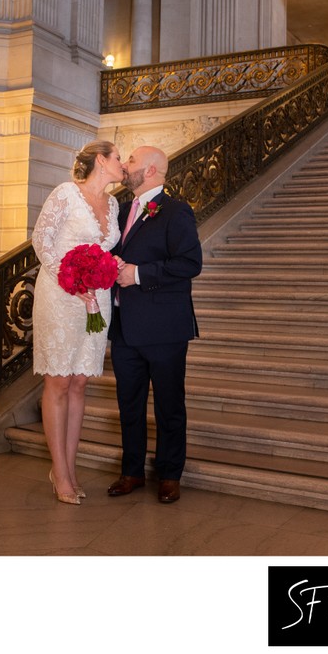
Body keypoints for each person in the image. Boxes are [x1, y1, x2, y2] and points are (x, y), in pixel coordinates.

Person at [107, 145, 202, 503]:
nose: (125, 165)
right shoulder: (119, 212)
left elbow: (190, 263)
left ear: (149, 170)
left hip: (164, 328)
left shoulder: (176, 211)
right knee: (128, 404)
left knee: (168, 404)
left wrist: (140, 274)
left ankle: (169, 473)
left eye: (131, 160)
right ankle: (131, 470)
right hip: (125, 327)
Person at [31, 140, 124, 505]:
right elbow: (42, 241)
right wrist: (72, 280)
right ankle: (61, 475)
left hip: (97, 299)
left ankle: (67, 468)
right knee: (59, 379)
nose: (122, 164)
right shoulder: (66, 194)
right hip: (61, 293)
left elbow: (106, 249)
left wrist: (108, 270)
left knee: (81, 381)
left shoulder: (114, 203)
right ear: (101, 161)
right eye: (118, 157)